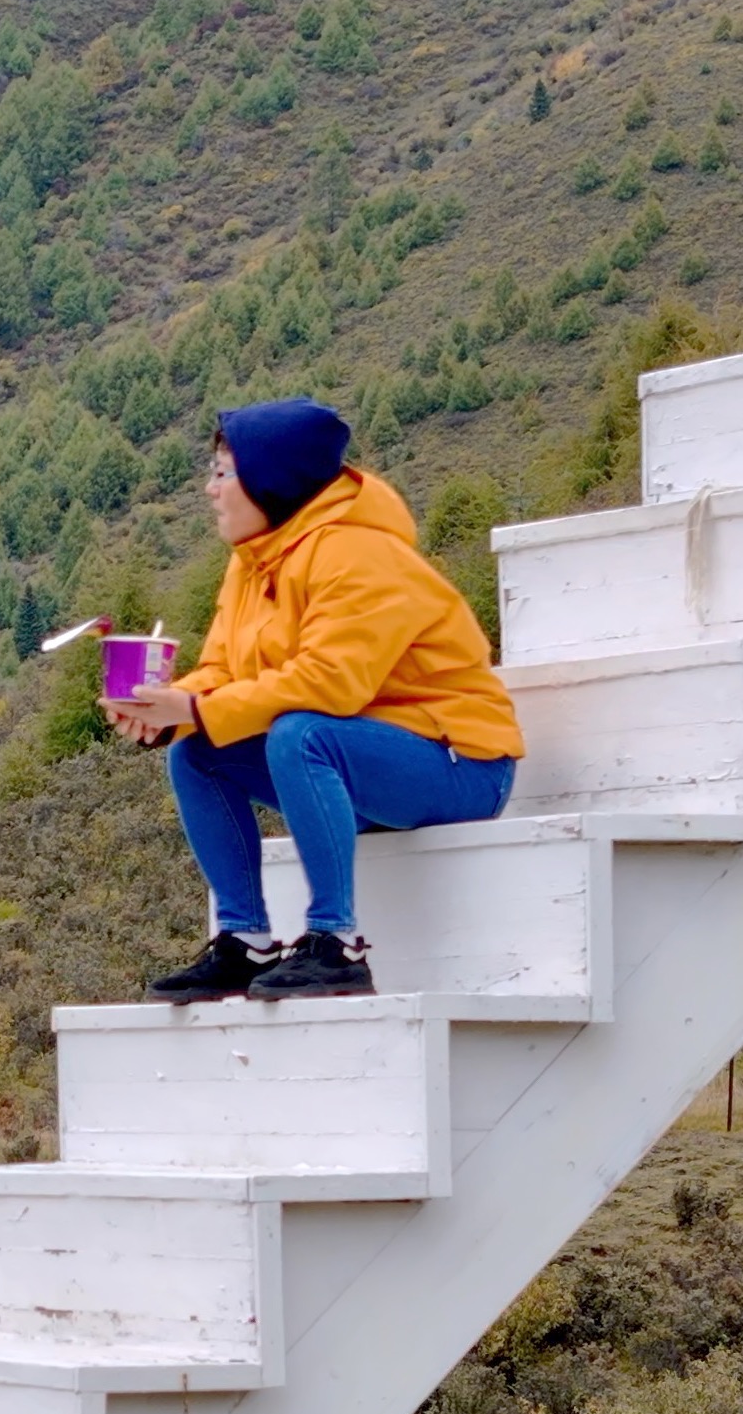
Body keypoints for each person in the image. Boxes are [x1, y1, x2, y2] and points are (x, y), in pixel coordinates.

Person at [103, 399, 522, 1000]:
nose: (209, 489)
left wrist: (196, 710)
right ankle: (244, 940)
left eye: (223, 472)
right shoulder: (252, 562)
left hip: (462, 765)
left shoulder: (360, 555)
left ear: (272, 481)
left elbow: (331, 682)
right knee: (197, 752)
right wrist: (168, 708)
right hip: (364, 765)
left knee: (299, 734)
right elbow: (221, 668)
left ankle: (336, 942)